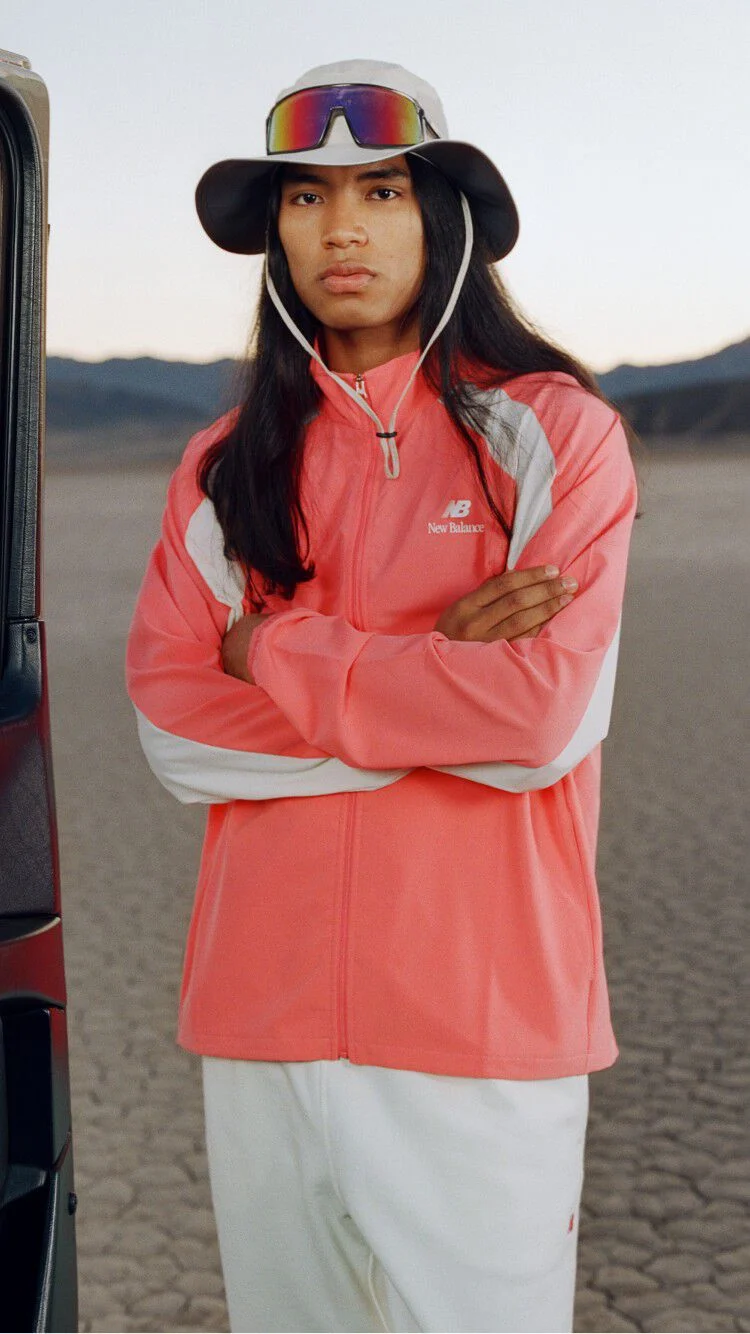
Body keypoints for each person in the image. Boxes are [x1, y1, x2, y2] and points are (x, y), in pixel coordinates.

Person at [125, 58, 641, 1334]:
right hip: (264, 1020)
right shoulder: (220, 464)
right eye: (304, 199)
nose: (339, 228)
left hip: (482, 1019)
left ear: (444, 212)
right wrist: (431, 685)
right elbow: (173, 726)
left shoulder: (554, 434)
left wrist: (274, 651)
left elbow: (535, 723)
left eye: (381, 190)